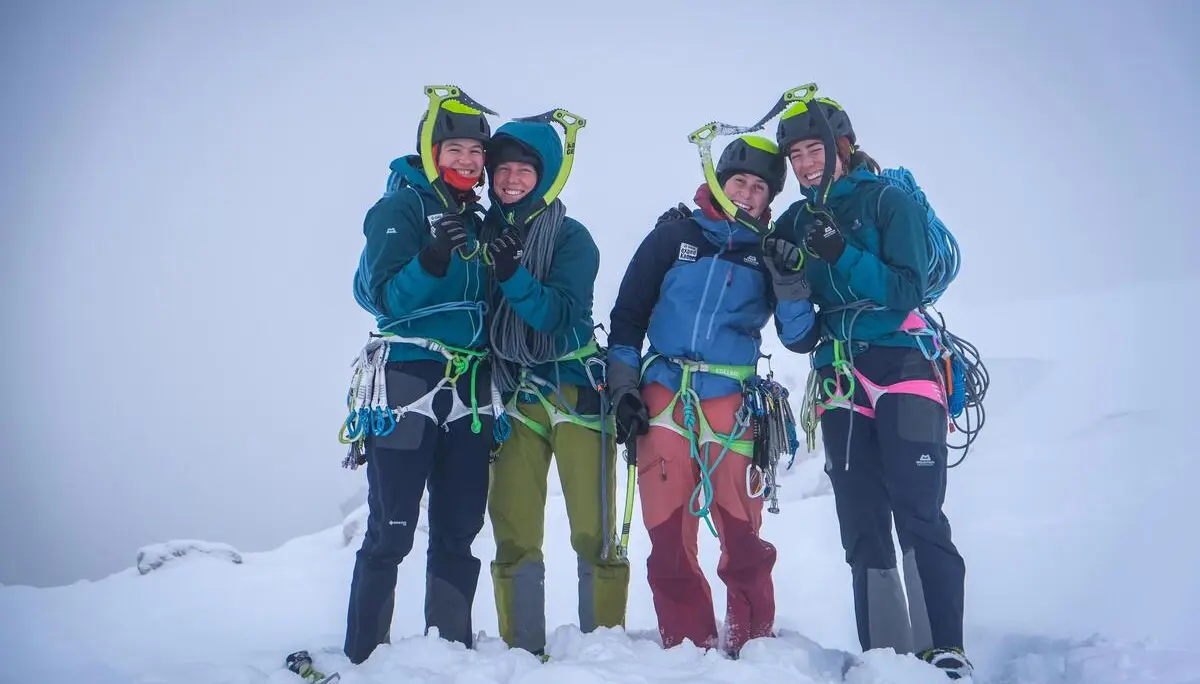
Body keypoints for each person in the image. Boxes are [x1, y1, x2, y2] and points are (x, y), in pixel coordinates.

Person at [772, 96, 972, 680]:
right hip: (836, 371)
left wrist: (843, 252)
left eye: (815, 150)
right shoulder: (792, 222)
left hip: (904, 362)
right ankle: (888, 658)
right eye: (796, 155)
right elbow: (799, 337)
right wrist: (786, 285)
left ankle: (946, 653)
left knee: (918, 509)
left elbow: (908, 289)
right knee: (860, 520)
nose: (806, 163)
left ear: (842, 147)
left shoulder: (888, 201)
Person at [604, 135, 819, 657]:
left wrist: (789, 281)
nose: (746, 194)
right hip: (662, 394)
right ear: (719, 184)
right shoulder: (673, 237)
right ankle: (687, 648)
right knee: (669, 536)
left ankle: (754, 645)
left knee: (742, 533)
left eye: (758, 188)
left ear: (770, 199)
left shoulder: (770, 253)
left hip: (732, 397)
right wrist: (623, 389)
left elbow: (798, 337)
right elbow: (628, 316)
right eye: (738, 182)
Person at [344, 97, 500, 665]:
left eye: (475, 151)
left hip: (473, 386)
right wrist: (432, 257)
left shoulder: (480, 220)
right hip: (409, 373)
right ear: (432, 154)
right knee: (393, 528)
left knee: (459, 529)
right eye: (455, 148)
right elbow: (380, 295)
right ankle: (364, 656)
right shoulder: (401, 207)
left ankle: (449, 650)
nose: (466, 159)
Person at [481, 118, 630, 660]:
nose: (513, 179)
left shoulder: (571, 238)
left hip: (575, 391)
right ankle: (520, 651)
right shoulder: (480, 233)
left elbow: (561, 319)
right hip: (514, 394)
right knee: (515, 529)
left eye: (525, 169)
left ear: (544, 177)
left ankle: (603, 651)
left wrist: (513, 275)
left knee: (594, 531)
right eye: (504, 169)